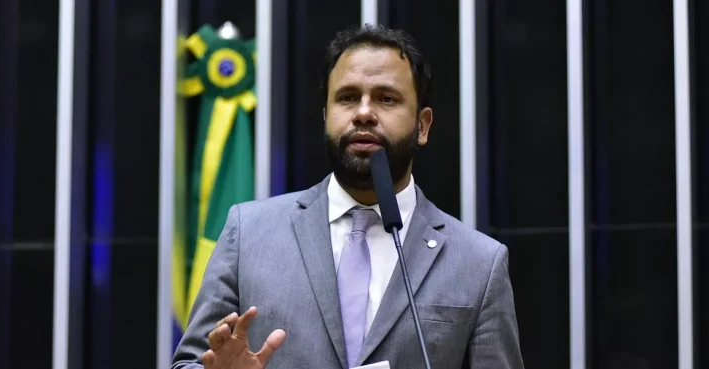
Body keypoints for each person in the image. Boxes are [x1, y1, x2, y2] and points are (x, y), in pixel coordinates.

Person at [171, 24, 523, 369]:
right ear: (326, 116)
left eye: (386, 98)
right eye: (348, 97)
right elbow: (190, 362)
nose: (364, 112)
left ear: (422, 125)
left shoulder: (479, 264)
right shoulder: (248, 233)